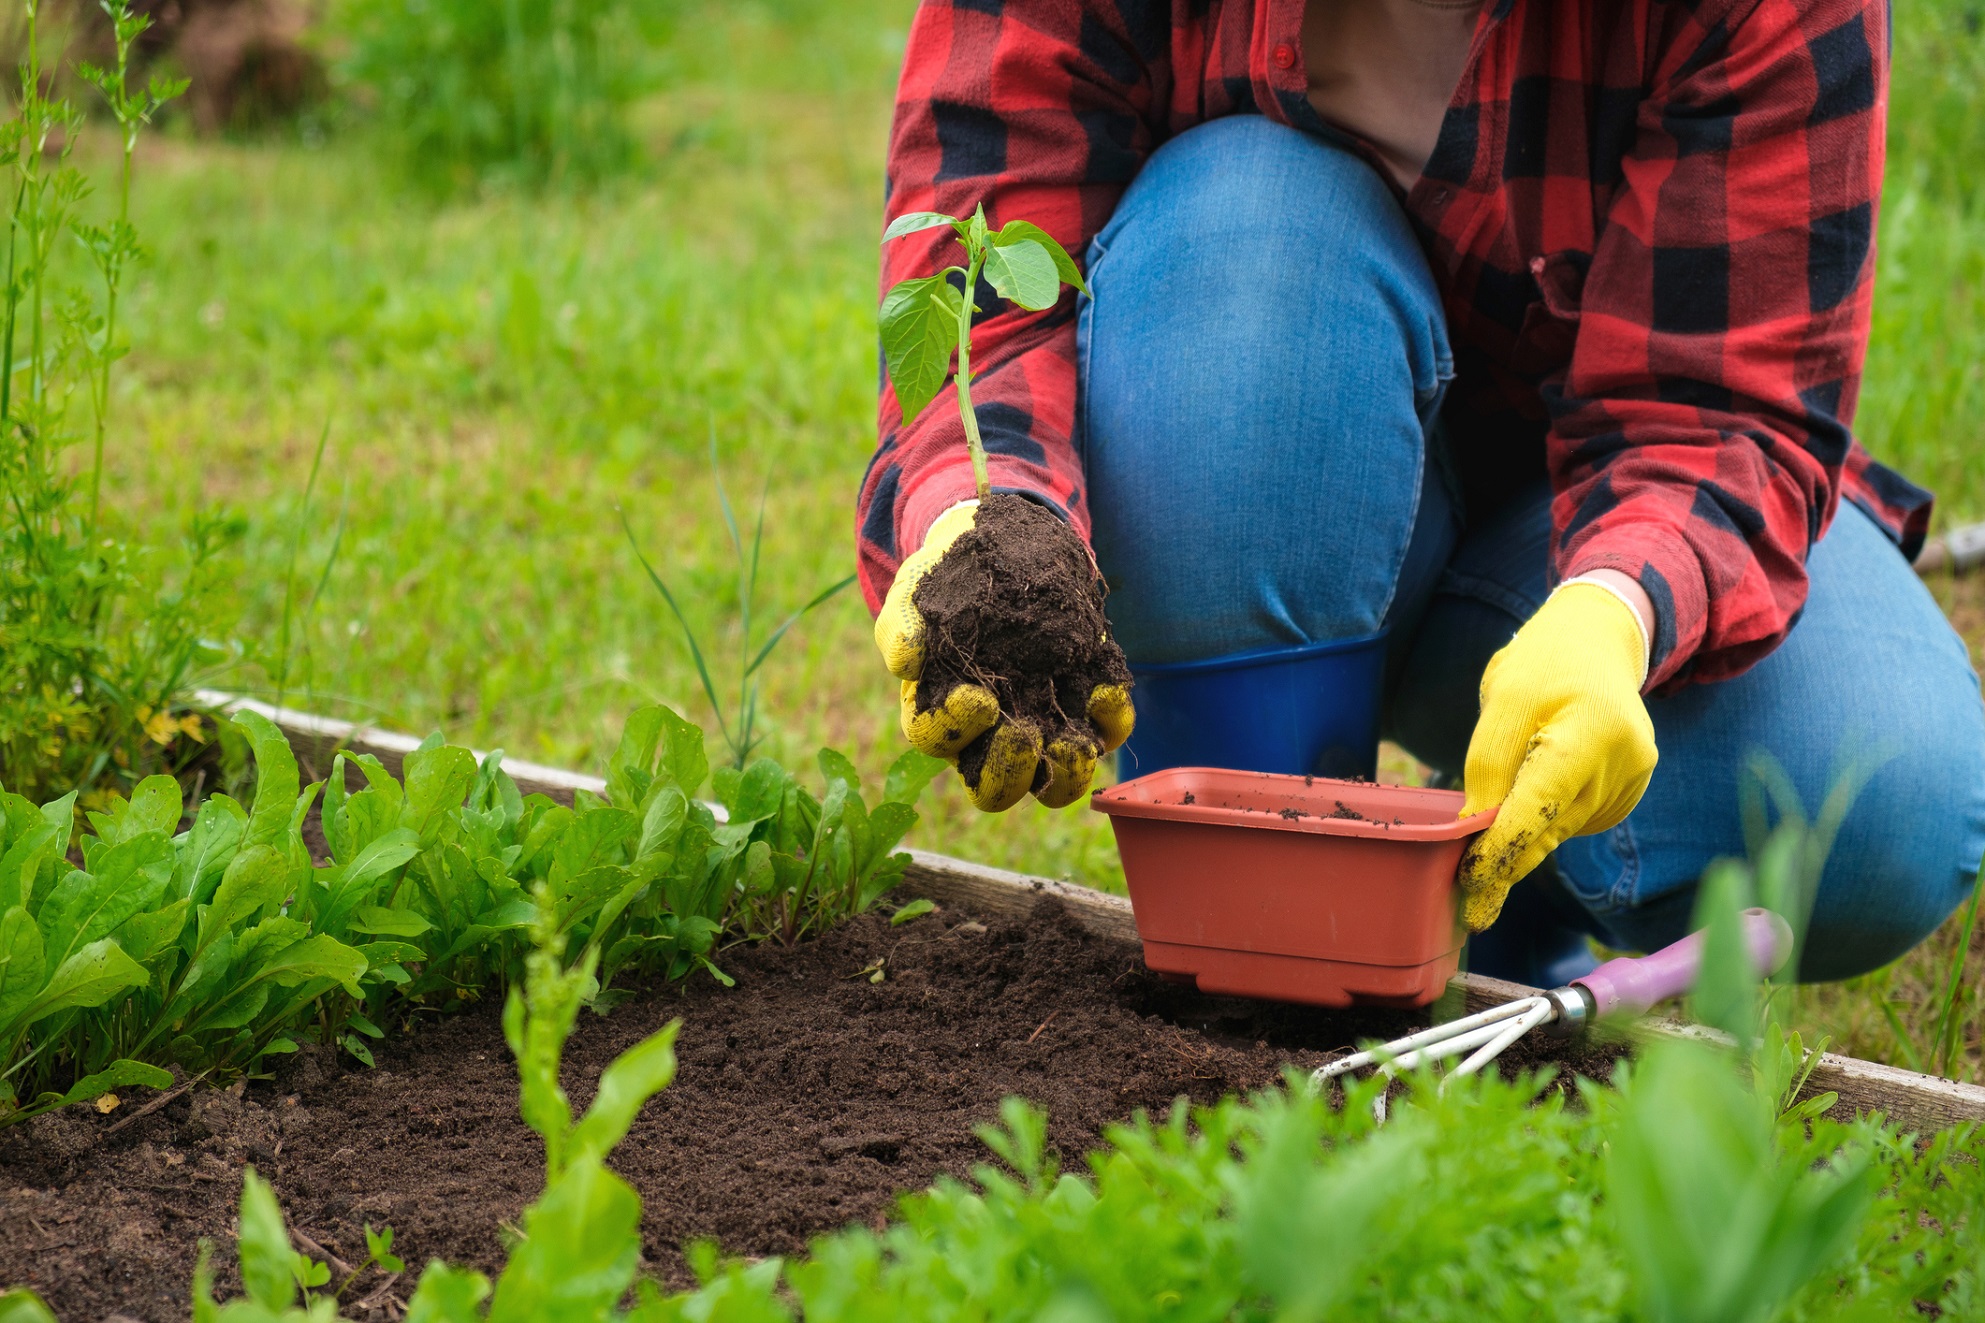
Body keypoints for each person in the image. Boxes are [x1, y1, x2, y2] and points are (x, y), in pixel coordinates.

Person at [856, 0, 1985, 985]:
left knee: (1884, 794)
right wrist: (987, 519)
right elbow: (986, 234)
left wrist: (1616, 609)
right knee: (1246, 232)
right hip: (1248, 451)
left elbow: (1720, 404)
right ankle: (1256, 950)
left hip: (1564, 521)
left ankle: (1504, 904)